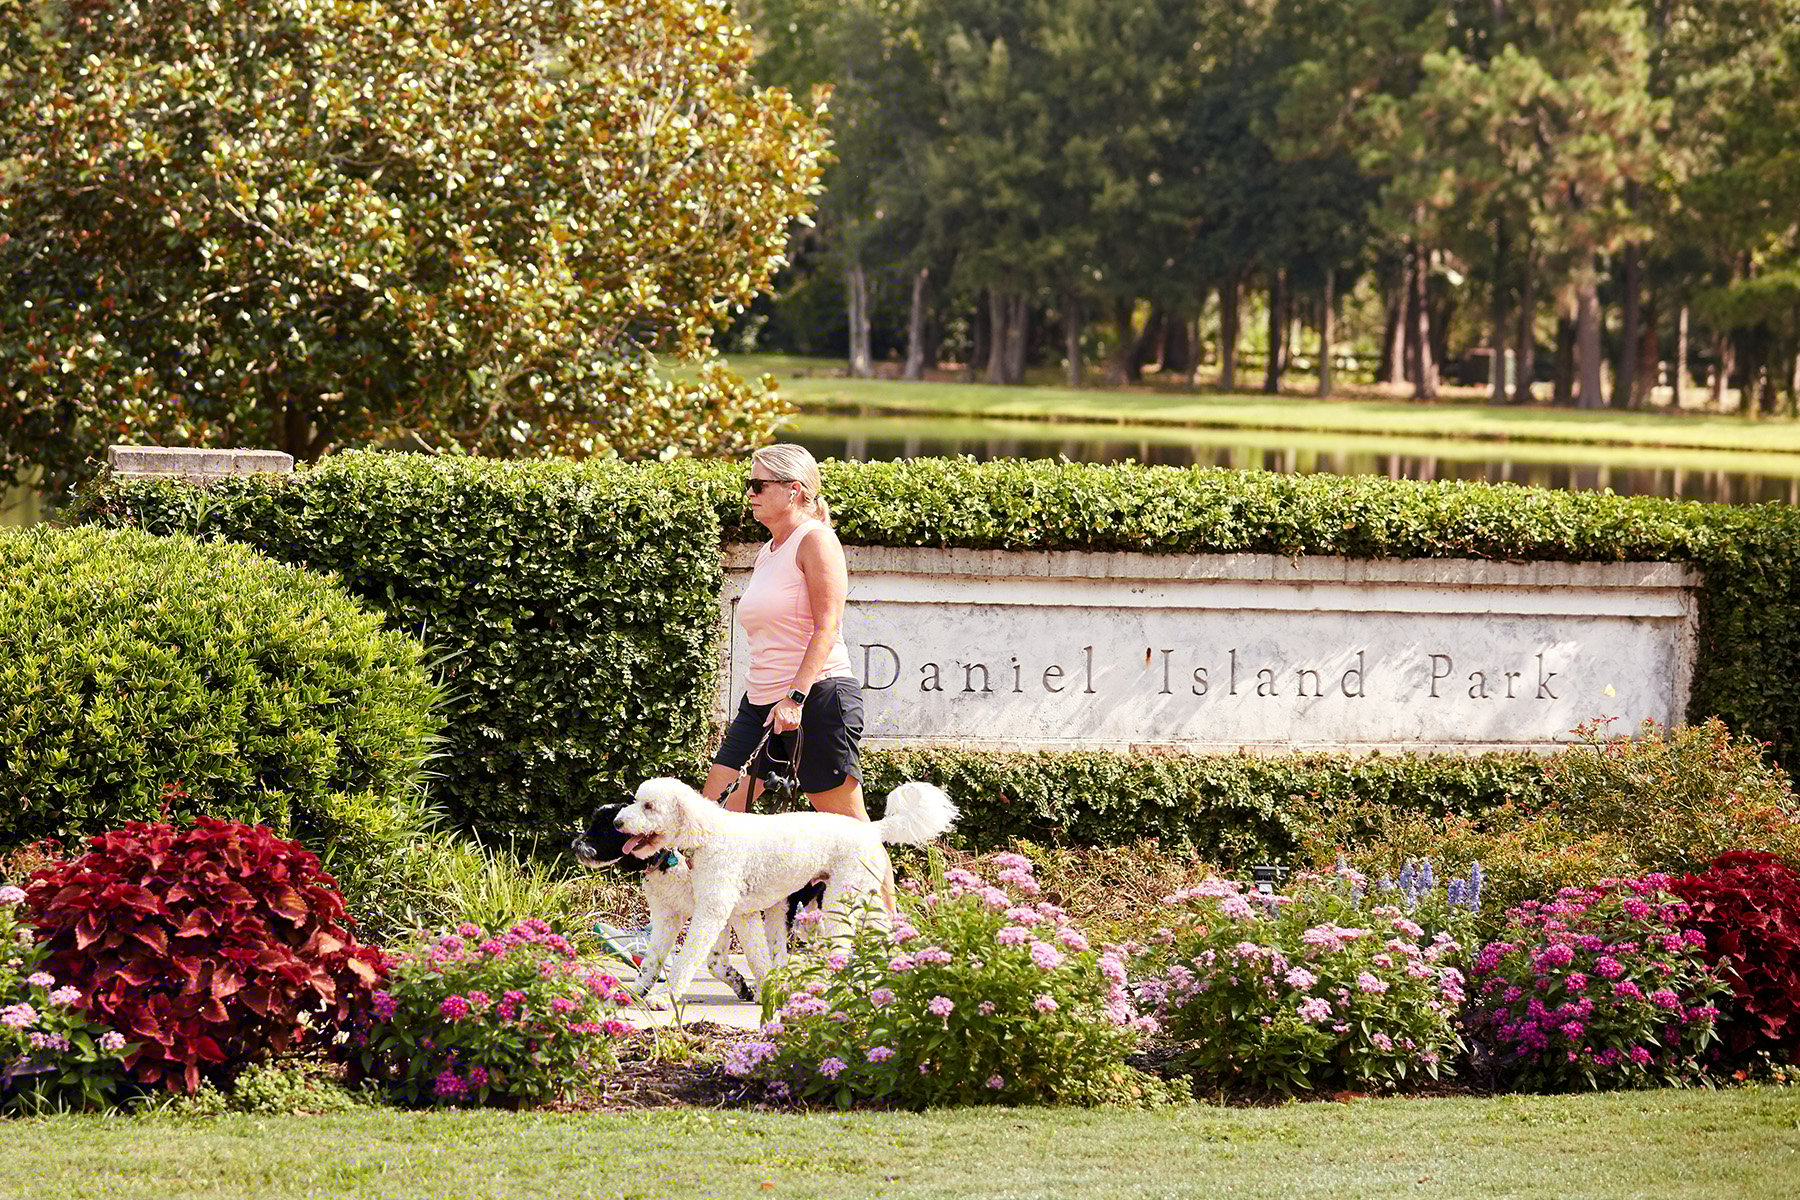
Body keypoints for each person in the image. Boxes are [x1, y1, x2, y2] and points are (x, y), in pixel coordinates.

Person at [702, 443, 869, 822]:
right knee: (710, 817)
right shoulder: (769, 550)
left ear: (793, 490)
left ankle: (879, 869)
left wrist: (795, 698)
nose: (750, 494)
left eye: (758, 485)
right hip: (760, 704)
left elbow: (827, 626)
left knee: (849, 829)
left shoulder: (816, 540)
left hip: (814, 700)